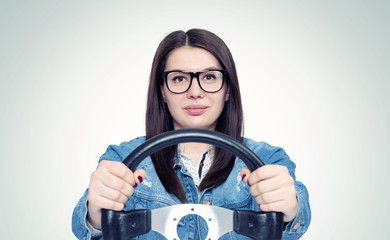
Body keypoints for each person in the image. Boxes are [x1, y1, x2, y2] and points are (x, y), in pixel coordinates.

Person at [72, 28, 311, 240]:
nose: (195, 91)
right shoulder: (123, 158)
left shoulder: (267, 160)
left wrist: (291, 210)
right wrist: (95, 214)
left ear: (228, 89)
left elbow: (294, 225)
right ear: (162, 92)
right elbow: (87, 230)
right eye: (179, 78)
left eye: (209, 77)